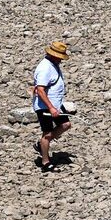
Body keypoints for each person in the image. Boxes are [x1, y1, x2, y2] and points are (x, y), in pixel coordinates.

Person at [32, 40, 73, 172]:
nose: (61, 60)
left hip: (56, 104)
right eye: (59, 57)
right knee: (47, 133)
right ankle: (45, 162)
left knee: (66, 125)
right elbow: (40, 90)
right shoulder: (45, 68)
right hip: (46, 107)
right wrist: (50, 107)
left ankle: (42, 144)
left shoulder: (52, 64)